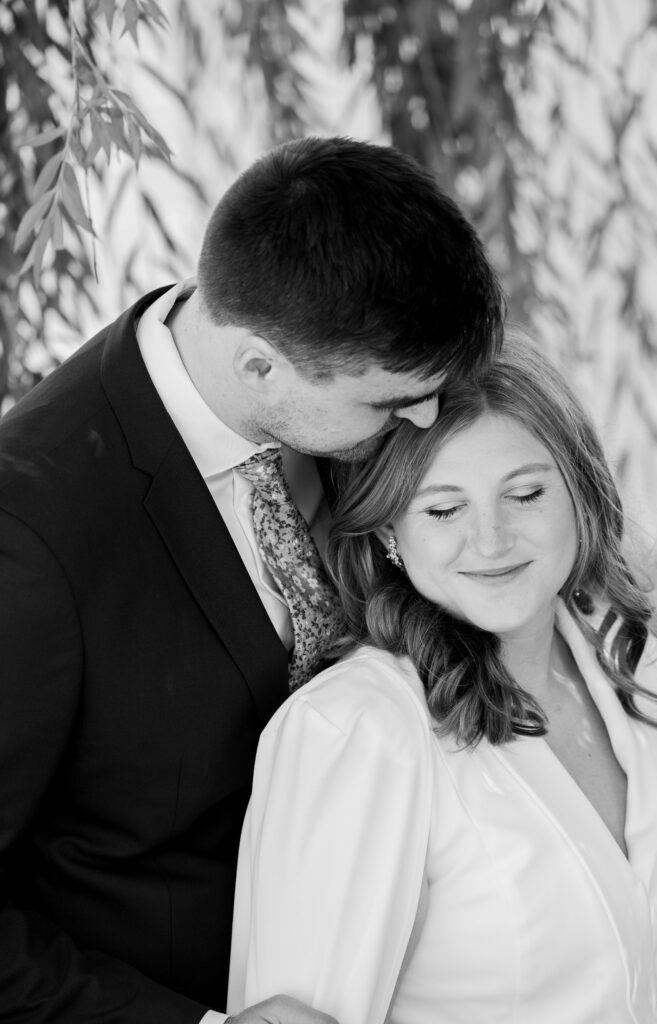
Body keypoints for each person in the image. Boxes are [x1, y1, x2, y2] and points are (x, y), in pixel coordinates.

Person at [0, 136, 503, 1024]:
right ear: (259, 364)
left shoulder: (330, 395)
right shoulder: (31, 529)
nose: (427, 420)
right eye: (390, 402)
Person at [228, 337, 657, 1023]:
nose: (492, 541)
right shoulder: (355, 731)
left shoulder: (646, 670)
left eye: (524, 494)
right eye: (443, 510)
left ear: (580, 494)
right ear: (387, 532)